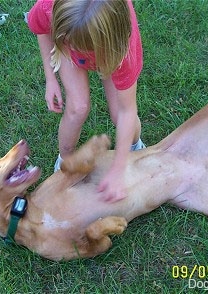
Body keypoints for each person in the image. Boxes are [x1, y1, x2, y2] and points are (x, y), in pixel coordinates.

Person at [27, 0, 145, 202]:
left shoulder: (123, 51)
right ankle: (64, 161)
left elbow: (127, 111)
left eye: (77, 46)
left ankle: (135, 148)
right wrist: (50, 78)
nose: (72, 49)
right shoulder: (51, 7)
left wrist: (118, 169)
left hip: (106, 46)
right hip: (77, 32)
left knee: (119, 114)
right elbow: (42, 30)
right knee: (77, 107)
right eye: (67, 41)